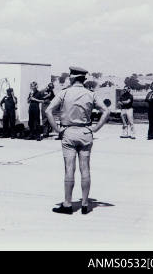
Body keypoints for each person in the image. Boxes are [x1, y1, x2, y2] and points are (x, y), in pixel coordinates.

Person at [46, 67, 110, 215]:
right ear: (83, 79)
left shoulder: (64, 93)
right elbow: (106, 111)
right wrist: (95, 128)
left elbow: (48, 110)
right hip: (86, 132)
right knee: (85, 168)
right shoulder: (90, 94)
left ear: (72, 78)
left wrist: (57, 129)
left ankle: (67, 204)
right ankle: (85, 204)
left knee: (69, 169)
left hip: (68, 132)